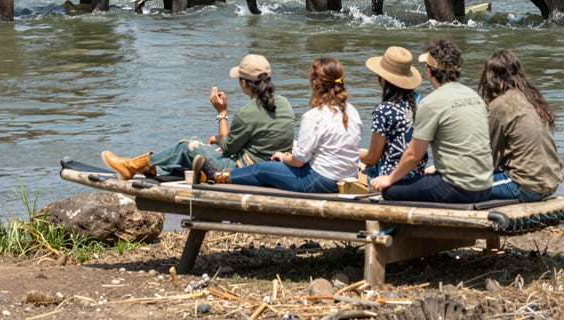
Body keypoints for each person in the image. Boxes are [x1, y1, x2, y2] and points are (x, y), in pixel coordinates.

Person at [101, 54, 295, 180]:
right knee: (196, 147)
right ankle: (151, 169)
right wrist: (219, 139)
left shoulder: (248, 113)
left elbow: (228, 150)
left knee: (188, 145)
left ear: (243, 83)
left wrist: (221, 113)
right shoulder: (285, 104)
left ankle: (132, 166)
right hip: (272, 168)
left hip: (243, 171)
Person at [193, 56, 362, 194]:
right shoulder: (352, 111)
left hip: (320, 181)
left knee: (262, 169)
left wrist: (282, 157)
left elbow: (299, 161)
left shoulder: (314, 115)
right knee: (271, 167)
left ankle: (217, 176)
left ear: (314, 83)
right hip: (347, 177)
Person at [370, 39, 494, 203]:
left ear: (429, 71)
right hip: (485, 186)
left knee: (390, 191)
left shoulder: (431, 103)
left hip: (455, 189)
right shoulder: (474, 96)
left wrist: (390, 179)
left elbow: (414, 155)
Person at [478, 49, 562, 202]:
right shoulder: (533, 98)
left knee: (463, 185)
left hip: (525, 186)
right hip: (551, 182)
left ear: (490, 77)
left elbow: (488, 157)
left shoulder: (500, 105)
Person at [360, 46, 427, 180]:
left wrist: (351, 152)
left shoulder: (384, 110)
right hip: (416, 176)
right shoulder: (420, 103)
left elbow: (372, 158)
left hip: (389, 178)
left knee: (354, 165)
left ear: (383, 79)